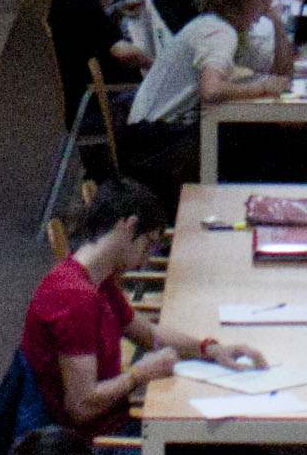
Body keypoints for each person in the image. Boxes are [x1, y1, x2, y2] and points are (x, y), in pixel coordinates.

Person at [21, 177, 251, 439]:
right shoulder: (75, 299)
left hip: (114, 426)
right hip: (96, 448)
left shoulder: (95, 280)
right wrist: (140, 374)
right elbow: (81, 407)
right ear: (128, 226)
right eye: (147, 244)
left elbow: (149, 334)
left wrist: (209, 349)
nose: (146, 259)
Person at [122, 0, 289, 189]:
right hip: (155, 142)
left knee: (256, 140)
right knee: (262, 146)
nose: (268, 3)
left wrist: (278, 26)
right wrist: (262, 88)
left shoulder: (228, 30)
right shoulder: (219, 32)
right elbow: (210, 89)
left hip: (153, 135)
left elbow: (280, 75)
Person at [46, 0, 134, 127]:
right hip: (97, 105)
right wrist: (155, 60)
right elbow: (122, 53)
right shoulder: (84, 7)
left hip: (82, 96)